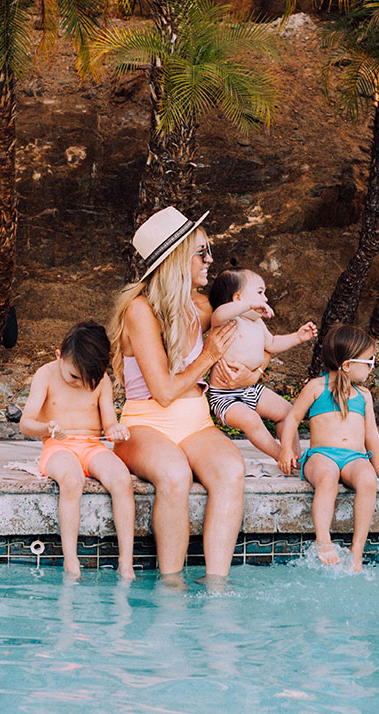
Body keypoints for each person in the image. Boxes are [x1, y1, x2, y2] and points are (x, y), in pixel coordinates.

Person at [109, 206, 245, 581]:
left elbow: (223, 351)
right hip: (145, 424)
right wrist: (210, 355)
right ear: (175, 260)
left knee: (232, 471)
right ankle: (172, 587)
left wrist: (231, 367)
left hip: (195, 423)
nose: (210, 260)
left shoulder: (200, 307)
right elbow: (165, 391)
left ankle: (217, 585)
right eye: (201, 252)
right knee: (174, 473)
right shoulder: (141, 311)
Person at [276, 324, 379, 571]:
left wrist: (378, 466)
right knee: (327, 477)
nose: (372, 365)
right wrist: (286, 450)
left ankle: (357, 551)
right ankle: (323, 540)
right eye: (368, 361)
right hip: (322, 456)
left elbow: (372, 434)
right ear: (347, 365)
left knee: (367, 480)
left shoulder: (363, 395)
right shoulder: (316, 387)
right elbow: (292, 418)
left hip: (354, 458)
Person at [19, 322, 136, 579]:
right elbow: (26, 424)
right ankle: (71, 561)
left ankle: (126, 561)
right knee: (72, 480)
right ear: (59, 356)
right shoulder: (46, 374)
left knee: (122, 479)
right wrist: (47, 428)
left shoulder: (101, 380)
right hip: (58, 446)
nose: (78, 383)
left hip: (92, 446)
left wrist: (115, 429)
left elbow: (109, 422)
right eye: (73, 376)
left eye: (86, 380)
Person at [207, 267, 317, 459]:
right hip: (225, 397)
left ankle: (295, 458)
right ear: (238, 298)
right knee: (251, 419)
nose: (265, 299)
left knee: (286, 411)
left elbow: (273, 343)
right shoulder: (227, 320)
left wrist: (298, 337)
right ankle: (281, 455)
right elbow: (218, 313)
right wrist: (249, 304)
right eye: (259, 293)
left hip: (250, 389)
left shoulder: (258, 324)